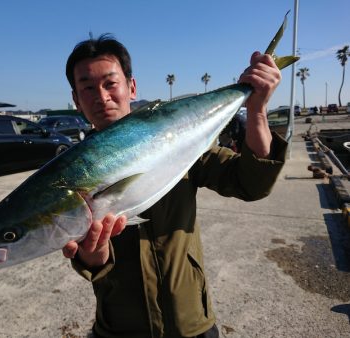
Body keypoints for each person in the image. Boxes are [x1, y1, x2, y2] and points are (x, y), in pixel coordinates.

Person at [62, 34, 287, 338]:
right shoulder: (71, 171)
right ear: (76, 99)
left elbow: (250, 183)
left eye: (110, 83)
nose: (101, 97)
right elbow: (91, 261)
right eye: (87, 87)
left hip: (191, 322)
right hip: (119, 328)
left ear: (132, 86)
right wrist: (94, 254)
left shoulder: (177, 139)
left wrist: (257, 111)